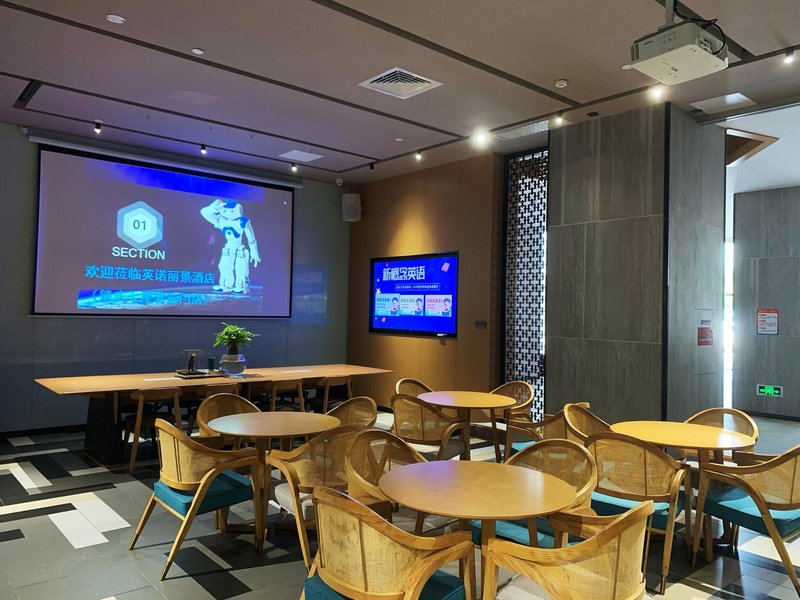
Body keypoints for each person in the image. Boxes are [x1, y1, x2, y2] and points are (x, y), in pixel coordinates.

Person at [200, 199, 261, 294]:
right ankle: (226, 285)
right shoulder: (221, 220)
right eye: (225, 210)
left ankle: (241, 286)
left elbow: (251, 236)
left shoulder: (241, 221)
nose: (228, 213)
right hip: (228, 247)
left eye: (231, 211)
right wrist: (214, 207)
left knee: (241, 268)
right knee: (224, 266)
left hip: (240, 248)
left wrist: (254, 250)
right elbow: (204, 212)